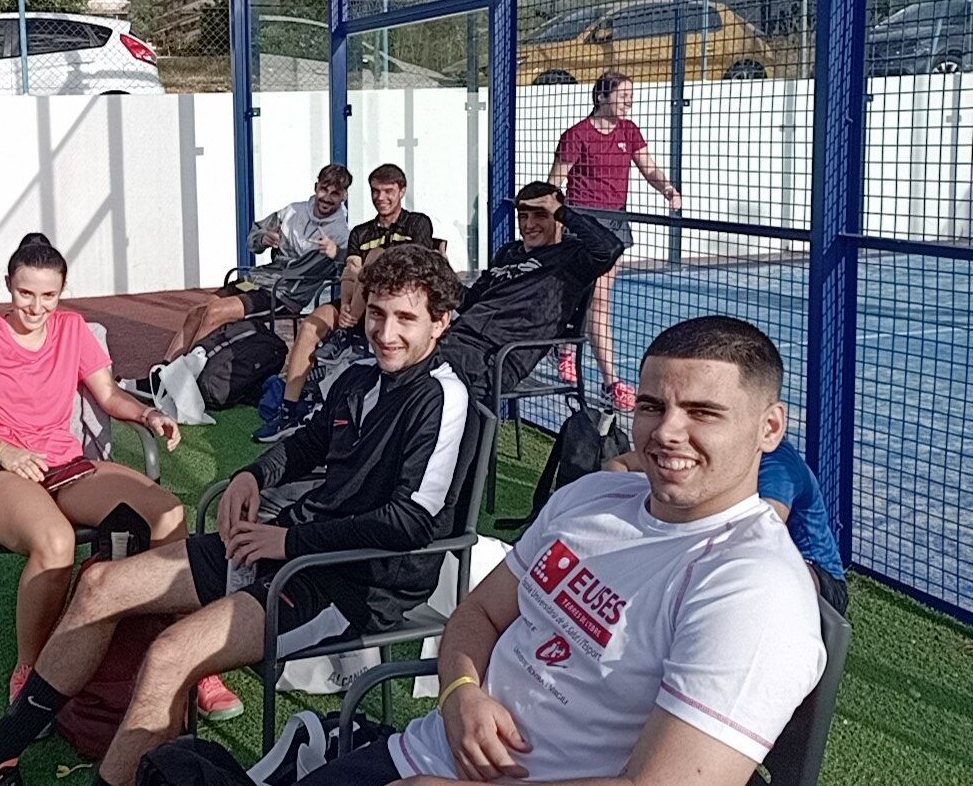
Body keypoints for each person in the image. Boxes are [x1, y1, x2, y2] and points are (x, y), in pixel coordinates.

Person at [0, 245, 479, 786]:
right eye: (377, 314)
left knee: (169, 653)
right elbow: (307, 443)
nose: (385, 332)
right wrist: (253, 475)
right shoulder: (360, 378)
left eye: (405, 319)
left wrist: (287, 542)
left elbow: (412, 523)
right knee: (100, 586)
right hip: (285, 547)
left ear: (440, 323)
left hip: (348, 583)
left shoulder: (443, 396)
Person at [298, 316, 827, 786]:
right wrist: (460, 691)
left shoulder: (753, 588)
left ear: (769, 428)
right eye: (651, 406)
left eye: (702, 412)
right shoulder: (593, 498)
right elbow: (479, 612)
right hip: (422, 752)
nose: (667, 430)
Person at [0, 233, 242, 717]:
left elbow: (109, 395)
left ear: (62, 291)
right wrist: (3, 449)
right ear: (8, 285)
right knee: (55, 542)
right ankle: (32, 672)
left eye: (48, 295)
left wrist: (147, 414)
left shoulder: (73, 329)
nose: (36, 307)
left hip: (65, 464)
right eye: (25, 293)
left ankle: (188, 655)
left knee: (167, 513)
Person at [255, 162, 435, 443]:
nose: (381, 198)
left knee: (374, 257)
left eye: (388, 191)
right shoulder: (360, 232)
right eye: (375, 191)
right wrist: (349, 308)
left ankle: (345, 331)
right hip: (358, 305)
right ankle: (288, 411)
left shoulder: (418, 223)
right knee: (312, 324)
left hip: (400, 306)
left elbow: (418, 268)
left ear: (402, 191)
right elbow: (350, 271)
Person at [548, 71, 682, 412]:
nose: (629, 103)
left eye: (631, 97)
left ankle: (566, 348)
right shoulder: (577, 135)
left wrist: (667, 188)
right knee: (597, 297)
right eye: (623, 96)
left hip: (615, 223)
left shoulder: (629, 131)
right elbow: (554, 182)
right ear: (602, 97)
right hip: (584, 223)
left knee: (595, 296)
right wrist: (555, 225)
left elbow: (649, 167)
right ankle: (612, 382)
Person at [605, 436, 849, 615]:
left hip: (820, 576)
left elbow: (757, 537)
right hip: (744, 556)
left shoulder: (778, 466)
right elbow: (618, 465)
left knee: (754, 572)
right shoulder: (715, 453)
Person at [435, 182, 624, 409]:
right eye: (523, 216)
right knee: (405, 365)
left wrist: (561, 210)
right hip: (458, 338)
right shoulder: (508, 252)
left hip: (497, 355)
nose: (529, 225)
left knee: (428, 385)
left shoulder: (571, 257)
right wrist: (439, 271)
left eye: (540, 215)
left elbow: (610, 248)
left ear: (558, 219)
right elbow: (470, 302)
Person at [162, 163, 352, 362]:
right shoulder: (292, 212)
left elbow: (349, 272)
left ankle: (187, 372)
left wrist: (337, 253)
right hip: (259, 279)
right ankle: (164, 370)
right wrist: (264, 238)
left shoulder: (341, 234)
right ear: (315, 187)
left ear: (344, 196)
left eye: (335, 193)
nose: (327, 197)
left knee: (215, 312)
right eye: (324, 189)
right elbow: (254, 238)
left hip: (283, 293)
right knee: (197, 311)